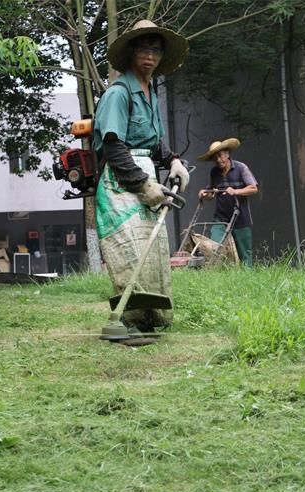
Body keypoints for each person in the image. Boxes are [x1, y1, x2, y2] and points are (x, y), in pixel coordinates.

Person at [93, 20, 190, 332]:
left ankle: (150, 318)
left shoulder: (149, 93)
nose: (150, 55)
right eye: (144, 48)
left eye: (156, 49)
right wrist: (142, 184)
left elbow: (152, 141)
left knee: (153, 253)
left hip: (146, 176)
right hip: (121, 182)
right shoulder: (118, 94)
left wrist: (174, 161)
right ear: (132, 52)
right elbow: (113, 145)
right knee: (130, 252)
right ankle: (128, 319)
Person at [197, 138, 259, 267]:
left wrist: (236, 191)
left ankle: (248, 280)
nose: (219, 160)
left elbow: (253, 188)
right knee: (214, 247)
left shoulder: (241, 168)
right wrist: (205, 193)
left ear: (227, 154)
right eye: (215, 158)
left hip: (241, 217)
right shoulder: (214, 172)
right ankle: (221, 273)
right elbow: (212, 192)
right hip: (221, 217)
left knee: (245, 255)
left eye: (220, 156)